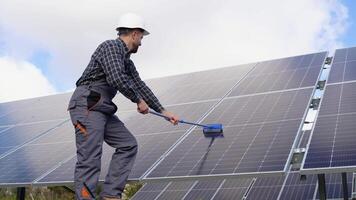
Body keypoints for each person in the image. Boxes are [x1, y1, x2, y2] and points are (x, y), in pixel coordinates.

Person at [67, 13, 179, 200]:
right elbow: (116, 78)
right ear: (134, 34)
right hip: (88, 104)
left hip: (102, 108)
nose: (141, 43)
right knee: (90, 159)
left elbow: (140, 86)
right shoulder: (110, 47)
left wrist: (164, 111)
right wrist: (137, 100)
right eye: (141, 38)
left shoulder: (127, 62)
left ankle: (111, 195)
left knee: (128, 144)